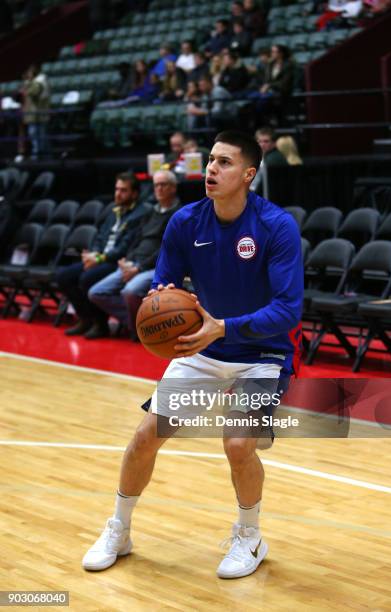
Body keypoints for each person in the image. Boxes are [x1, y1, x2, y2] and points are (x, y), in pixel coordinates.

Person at [82, 130, 303, 579]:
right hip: (201, 349)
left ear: (248, 174)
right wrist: (163, 303)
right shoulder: (185, 221)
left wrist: (224, 327)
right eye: (210, 160)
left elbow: (288, 310)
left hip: (261, 354)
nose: (211, 169)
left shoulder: (277, 226)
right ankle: (119, 530)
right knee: (145, 437)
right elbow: (162, 286)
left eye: (223, 162)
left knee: (238, 444)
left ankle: (250, 537)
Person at [88, 171, 180, 339]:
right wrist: (126, 261)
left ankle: (138, 329)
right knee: (96, 292)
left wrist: (138, 268)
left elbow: (166, 249)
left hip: (157, 266)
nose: (158, 189)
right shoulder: (151, 212)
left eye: (163, 184)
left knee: (130, 291)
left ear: (173, 188)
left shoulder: (179, 215)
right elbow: (137, 239)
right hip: (134, 263)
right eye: (156, 185)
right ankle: (145, 324)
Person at [56, 173, 147, 339]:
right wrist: (93, 254)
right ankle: (85, 319)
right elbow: (99, 236)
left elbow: (125, 247)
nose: (118, 194)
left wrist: (99, 258)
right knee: (63, 276)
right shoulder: (113, 210)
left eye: (123, 190)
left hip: (117, 262)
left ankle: (100, 324)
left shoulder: (140, 214)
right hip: (100, 258)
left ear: (134, 194)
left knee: (87, 278)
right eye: (117, 189)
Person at [21, 64, 50, 159]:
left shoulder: (39, 82)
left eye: (29, 72)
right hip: (36, 114)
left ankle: (38, 157)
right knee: (39, 136)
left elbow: (33, 92)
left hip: (37, 114)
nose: (28, 74)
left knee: (38, 137)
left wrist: (27, 84)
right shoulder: (39, 81)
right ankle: (42, 156)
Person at [251, 127, 288, 192]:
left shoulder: (274, 158)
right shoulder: (257, 157)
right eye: (259, 141)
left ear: (274, 143)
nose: (262, 144)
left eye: (266, 141)